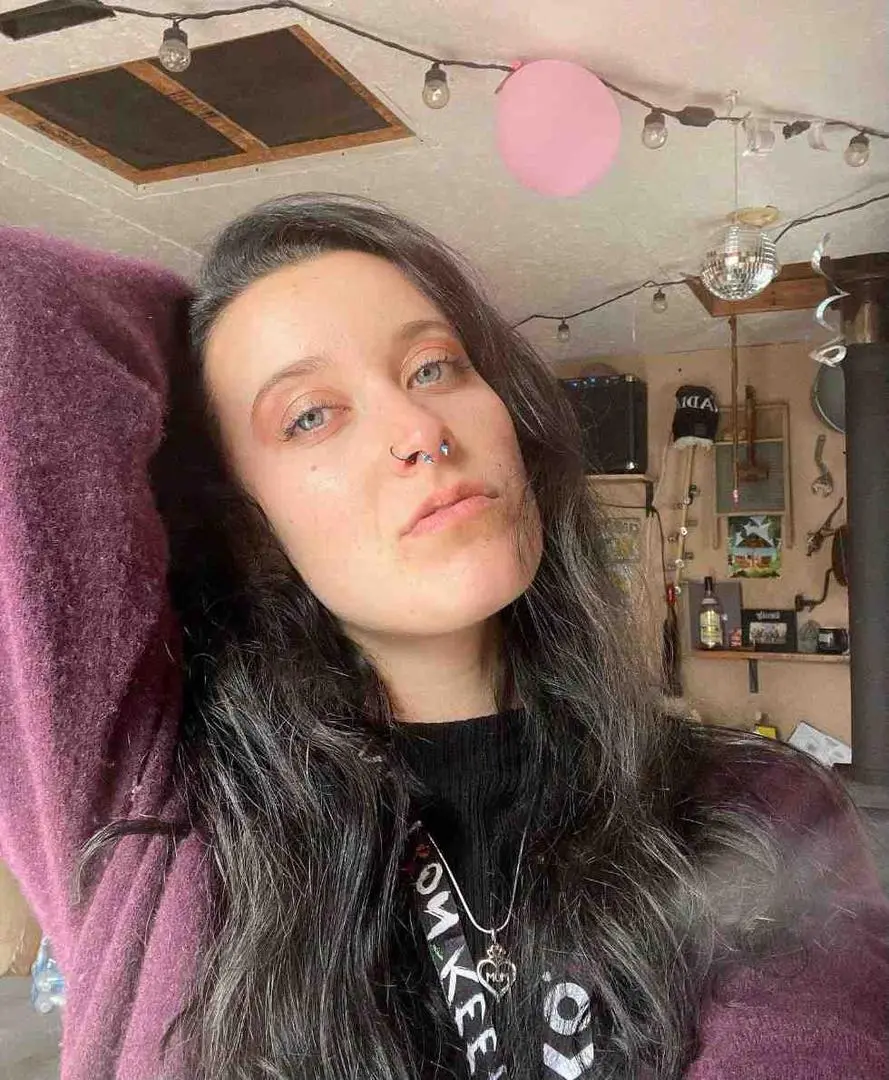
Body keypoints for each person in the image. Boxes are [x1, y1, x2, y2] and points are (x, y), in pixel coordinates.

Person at [0, 193, 886, 1080]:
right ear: (244, 521)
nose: (420, 430)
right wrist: (202, 332)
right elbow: (22, 317)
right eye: (309, 415)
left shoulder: (760, 806)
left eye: (433, 368)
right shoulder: (156, 825)